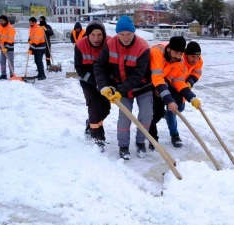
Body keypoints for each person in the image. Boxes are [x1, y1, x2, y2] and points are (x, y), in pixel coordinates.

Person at [94, 15, 152, 160]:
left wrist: (120, 91)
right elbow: (99, 65)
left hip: (142, 86)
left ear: (134, 32)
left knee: (146, 115)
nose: (125, 38)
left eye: (129, 34)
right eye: (122, 34)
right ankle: (123, 146)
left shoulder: (143, 47)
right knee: (124, 118)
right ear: (117, 33)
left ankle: (140, 142)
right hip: (121, 87)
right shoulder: (110, 44)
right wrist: (103, 86)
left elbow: (137, 75)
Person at [149, 36, 201, 149]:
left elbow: (178, 81)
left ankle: (151, 134)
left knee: (159, 113)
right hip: (147, 81)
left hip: (162, 82)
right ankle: (152, 138)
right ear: (169, 49)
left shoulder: (179, 60)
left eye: (180, 53)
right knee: (153, 113)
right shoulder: (157, 52)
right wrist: (169, 100)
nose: (178, 57)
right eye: (176, 53)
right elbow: (157, 77)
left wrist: (192, 98)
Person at [74, 20, 111, 151]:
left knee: (105, 109)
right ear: (87, 35)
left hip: (105, 82)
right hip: (87, 81)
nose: (96, 38)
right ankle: (98, 137)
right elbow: (79, 68)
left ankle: (90, 123)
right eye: (93, 35)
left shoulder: (110, 43)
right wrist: (93, 82)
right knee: (94, 106)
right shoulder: (80, 45)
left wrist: (106, 82)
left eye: (99, 35)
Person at [0, 15, 15, 80]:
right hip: (2, 46)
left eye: (2, 21)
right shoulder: (0, 26)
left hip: (9, 47)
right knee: (2, 61)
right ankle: (3, 74)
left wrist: (6, 47)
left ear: (6, 20)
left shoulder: (11, 28)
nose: (0, 22)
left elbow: (11, 39)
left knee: (10, 61)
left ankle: (12, 75)